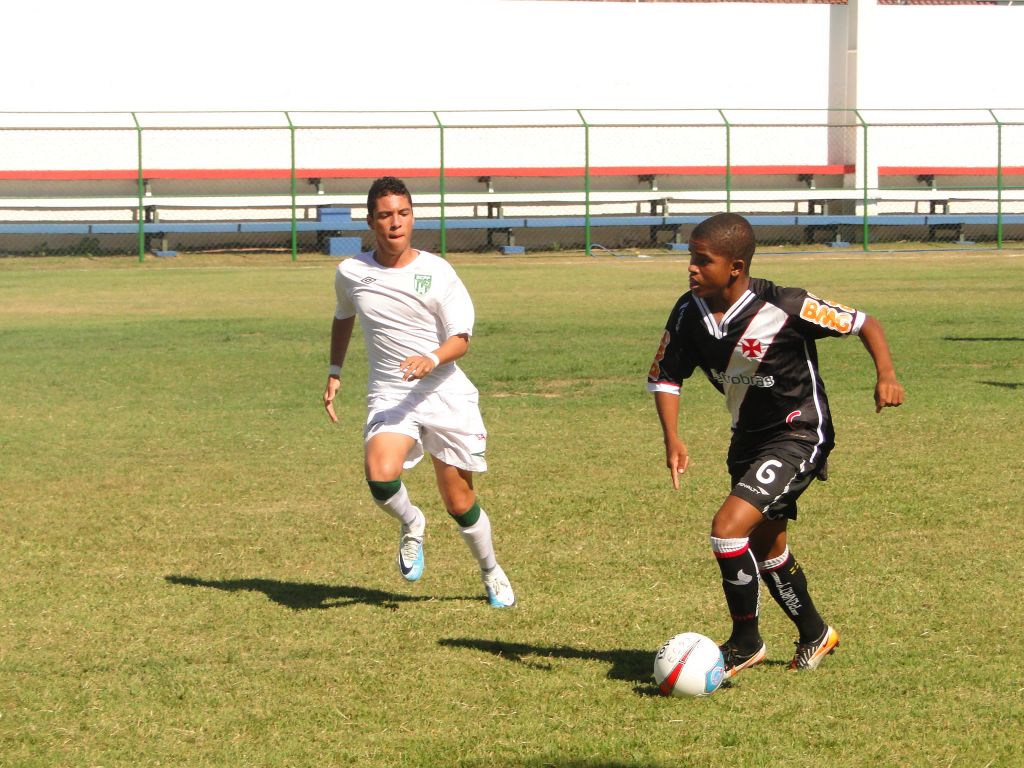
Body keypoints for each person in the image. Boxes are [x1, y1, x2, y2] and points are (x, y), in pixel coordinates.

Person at [647, 212, 904, 677]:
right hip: (747, 438)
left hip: (799, 432)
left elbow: (866, 323)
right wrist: (672, 437)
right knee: (767, 546)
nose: (691, 269)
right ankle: (815, 633)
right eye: (691, 258)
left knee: (728, 528)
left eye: (702, 261)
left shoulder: (787, 304)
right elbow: (666, 376)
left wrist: (885, 375)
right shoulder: (689, 311)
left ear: (736, 266)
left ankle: (745, 641)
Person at [323, 176, 515, 608]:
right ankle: (412, 523)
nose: (396, 224)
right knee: (380, 475)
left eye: (404, 214)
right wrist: (335, 370)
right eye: (386, 215)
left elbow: (461, 338)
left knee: (458, 499)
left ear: (413, 217)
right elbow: (343, 316)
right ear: (371, 221)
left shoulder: (437, 271)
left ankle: (491, 571)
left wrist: (432, 357)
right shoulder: (352, 272)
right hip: (391, 394)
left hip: (444, 392)